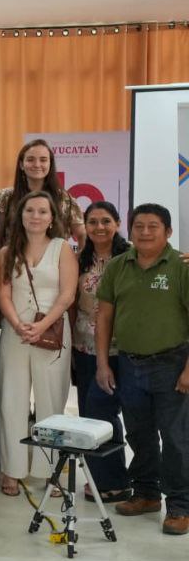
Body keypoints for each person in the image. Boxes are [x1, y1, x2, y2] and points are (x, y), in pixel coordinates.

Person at [95, 203, 189, 535]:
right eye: (139, 226)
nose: (145, 232)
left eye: (153, 226)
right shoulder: (118, 266)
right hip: (129, 363)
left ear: (168, 232)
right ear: (130, 230)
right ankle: (147, 493)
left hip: (172, 364)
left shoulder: (181, 267)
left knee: (176, 438)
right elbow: (104, 317)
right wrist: (103, 363)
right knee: (138, 433)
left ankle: (180, 505)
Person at [0, 191, 78, 496]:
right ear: (20, 215)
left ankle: (51, 471)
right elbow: (3, 294)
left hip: (53, 332)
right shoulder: (7, 251)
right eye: (29, 210)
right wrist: (18, 324)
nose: (35, 216)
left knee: (51, 403)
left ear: (52, 217)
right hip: (15, 333)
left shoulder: (62, 249)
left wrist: (42, 325)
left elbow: (67, 295)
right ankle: (12, 469)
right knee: (11, 401)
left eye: (43, 211)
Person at [72, 202, 132, 503]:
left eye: (106, 221)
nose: (99, 227)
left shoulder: (131, 256)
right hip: (84, 347)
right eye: (92, 222)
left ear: (117, 223)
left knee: (105, 412)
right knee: (90, 415)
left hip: (121, 347)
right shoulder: (80, 258)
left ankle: (116, 481)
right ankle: (99, 479)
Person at [0, 139, 85, 246]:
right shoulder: (5, 197)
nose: (37, 165)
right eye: (30, 160)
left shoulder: (64, 199)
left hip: (56, 256)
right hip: (14, 256)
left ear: (50, 164)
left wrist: (78, 254)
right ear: (21, 164)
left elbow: (82, 234)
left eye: (43, 160)